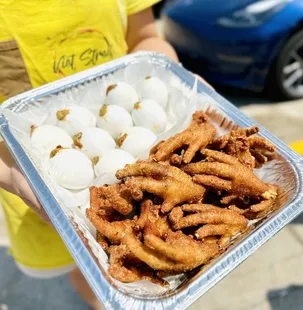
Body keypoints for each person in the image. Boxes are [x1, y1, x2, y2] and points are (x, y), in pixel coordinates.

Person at [0, 1, 206, 309]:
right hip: (38, 200)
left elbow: (144, 37)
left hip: (135, 142)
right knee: (86, 272)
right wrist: (8, 173)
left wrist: (176, 81)